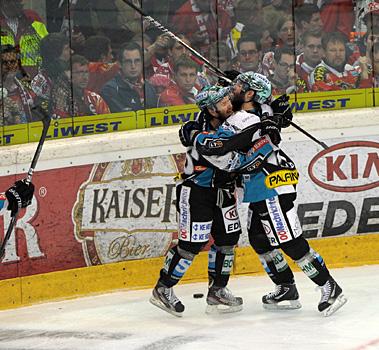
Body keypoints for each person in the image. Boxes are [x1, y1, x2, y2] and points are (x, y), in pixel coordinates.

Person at [181, 72, 348, 317]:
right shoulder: (247, 113)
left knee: (289, 240)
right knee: (259, 238)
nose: (231, 89)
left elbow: (238, 147)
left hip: (270, 182)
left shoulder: (246, 117)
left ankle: (329, 287)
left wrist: (197, 136)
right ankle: (286, 287)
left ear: (248, 94)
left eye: (237, 86)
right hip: (259, 185)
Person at [150, 85, 267, 317]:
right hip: (197, 192)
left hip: (223, 191)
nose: (228, 105)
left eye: (227, 100)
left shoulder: (232, 119)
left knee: (228, 239)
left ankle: (218, 290)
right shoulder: (199, 130)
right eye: (223, 103)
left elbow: (253, 115)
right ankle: (163, 288)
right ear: (211, 110)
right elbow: (219, 147)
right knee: (191, 245)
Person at [101, 42, 158, 112]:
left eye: (137, 61)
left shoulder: (149, 87)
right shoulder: (110, 89)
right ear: (119, 64)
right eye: (128, 61)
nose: (133, 66)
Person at [0, 0, 48, 77]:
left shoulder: (32, 18)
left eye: (17, 2)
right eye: (9, 2)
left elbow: (48, 48)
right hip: (6, 82)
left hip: (35, 79)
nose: (15, 5)